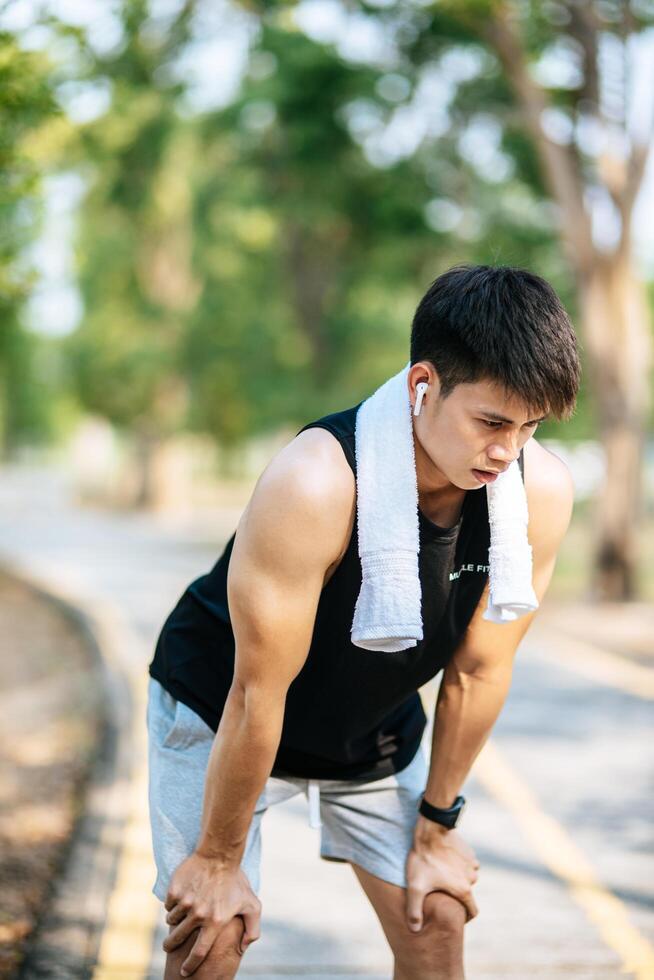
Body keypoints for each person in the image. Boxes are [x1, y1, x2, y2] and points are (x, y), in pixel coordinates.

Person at [146, 264, 580, 979]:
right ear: (422, 386)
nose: (509, 452)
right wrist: (217, 860)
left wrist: (438, 828)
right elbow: (257, 694)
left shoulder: (539, 491)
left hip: (370, 727)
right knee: (211, 934)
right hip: (225, 709)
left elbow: (480, 669)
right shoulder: (315, 482)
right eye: (492, 422)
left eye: (529, 427)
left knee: (438, 915)